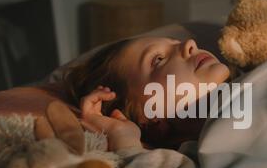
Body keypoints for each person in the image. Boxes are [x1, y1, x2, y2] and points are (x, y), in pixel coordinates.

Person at [64, 37, 233, 149]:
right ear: (152, 122)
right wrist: (126, 141)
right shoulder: (192, 163)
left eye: (175, 41)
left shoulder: (250, 74)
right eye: (158, 60)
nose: (189, 43)